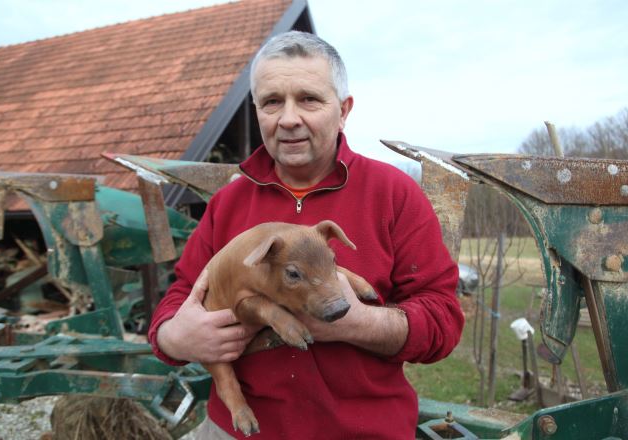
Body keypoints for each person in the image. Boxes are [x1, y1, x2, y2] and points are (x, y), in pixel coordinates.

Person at [149, 30, 464, 440]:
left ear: (344, 110)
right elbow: (181, 294)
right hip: (236, 431)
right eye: (271, 102)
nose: (288, 118)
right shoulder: (228, 201)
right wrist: (176, 337)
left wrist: (358, 323)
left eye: (309, 99)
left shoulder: (393, 193)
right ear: (257, 111)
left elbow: (443, 320)